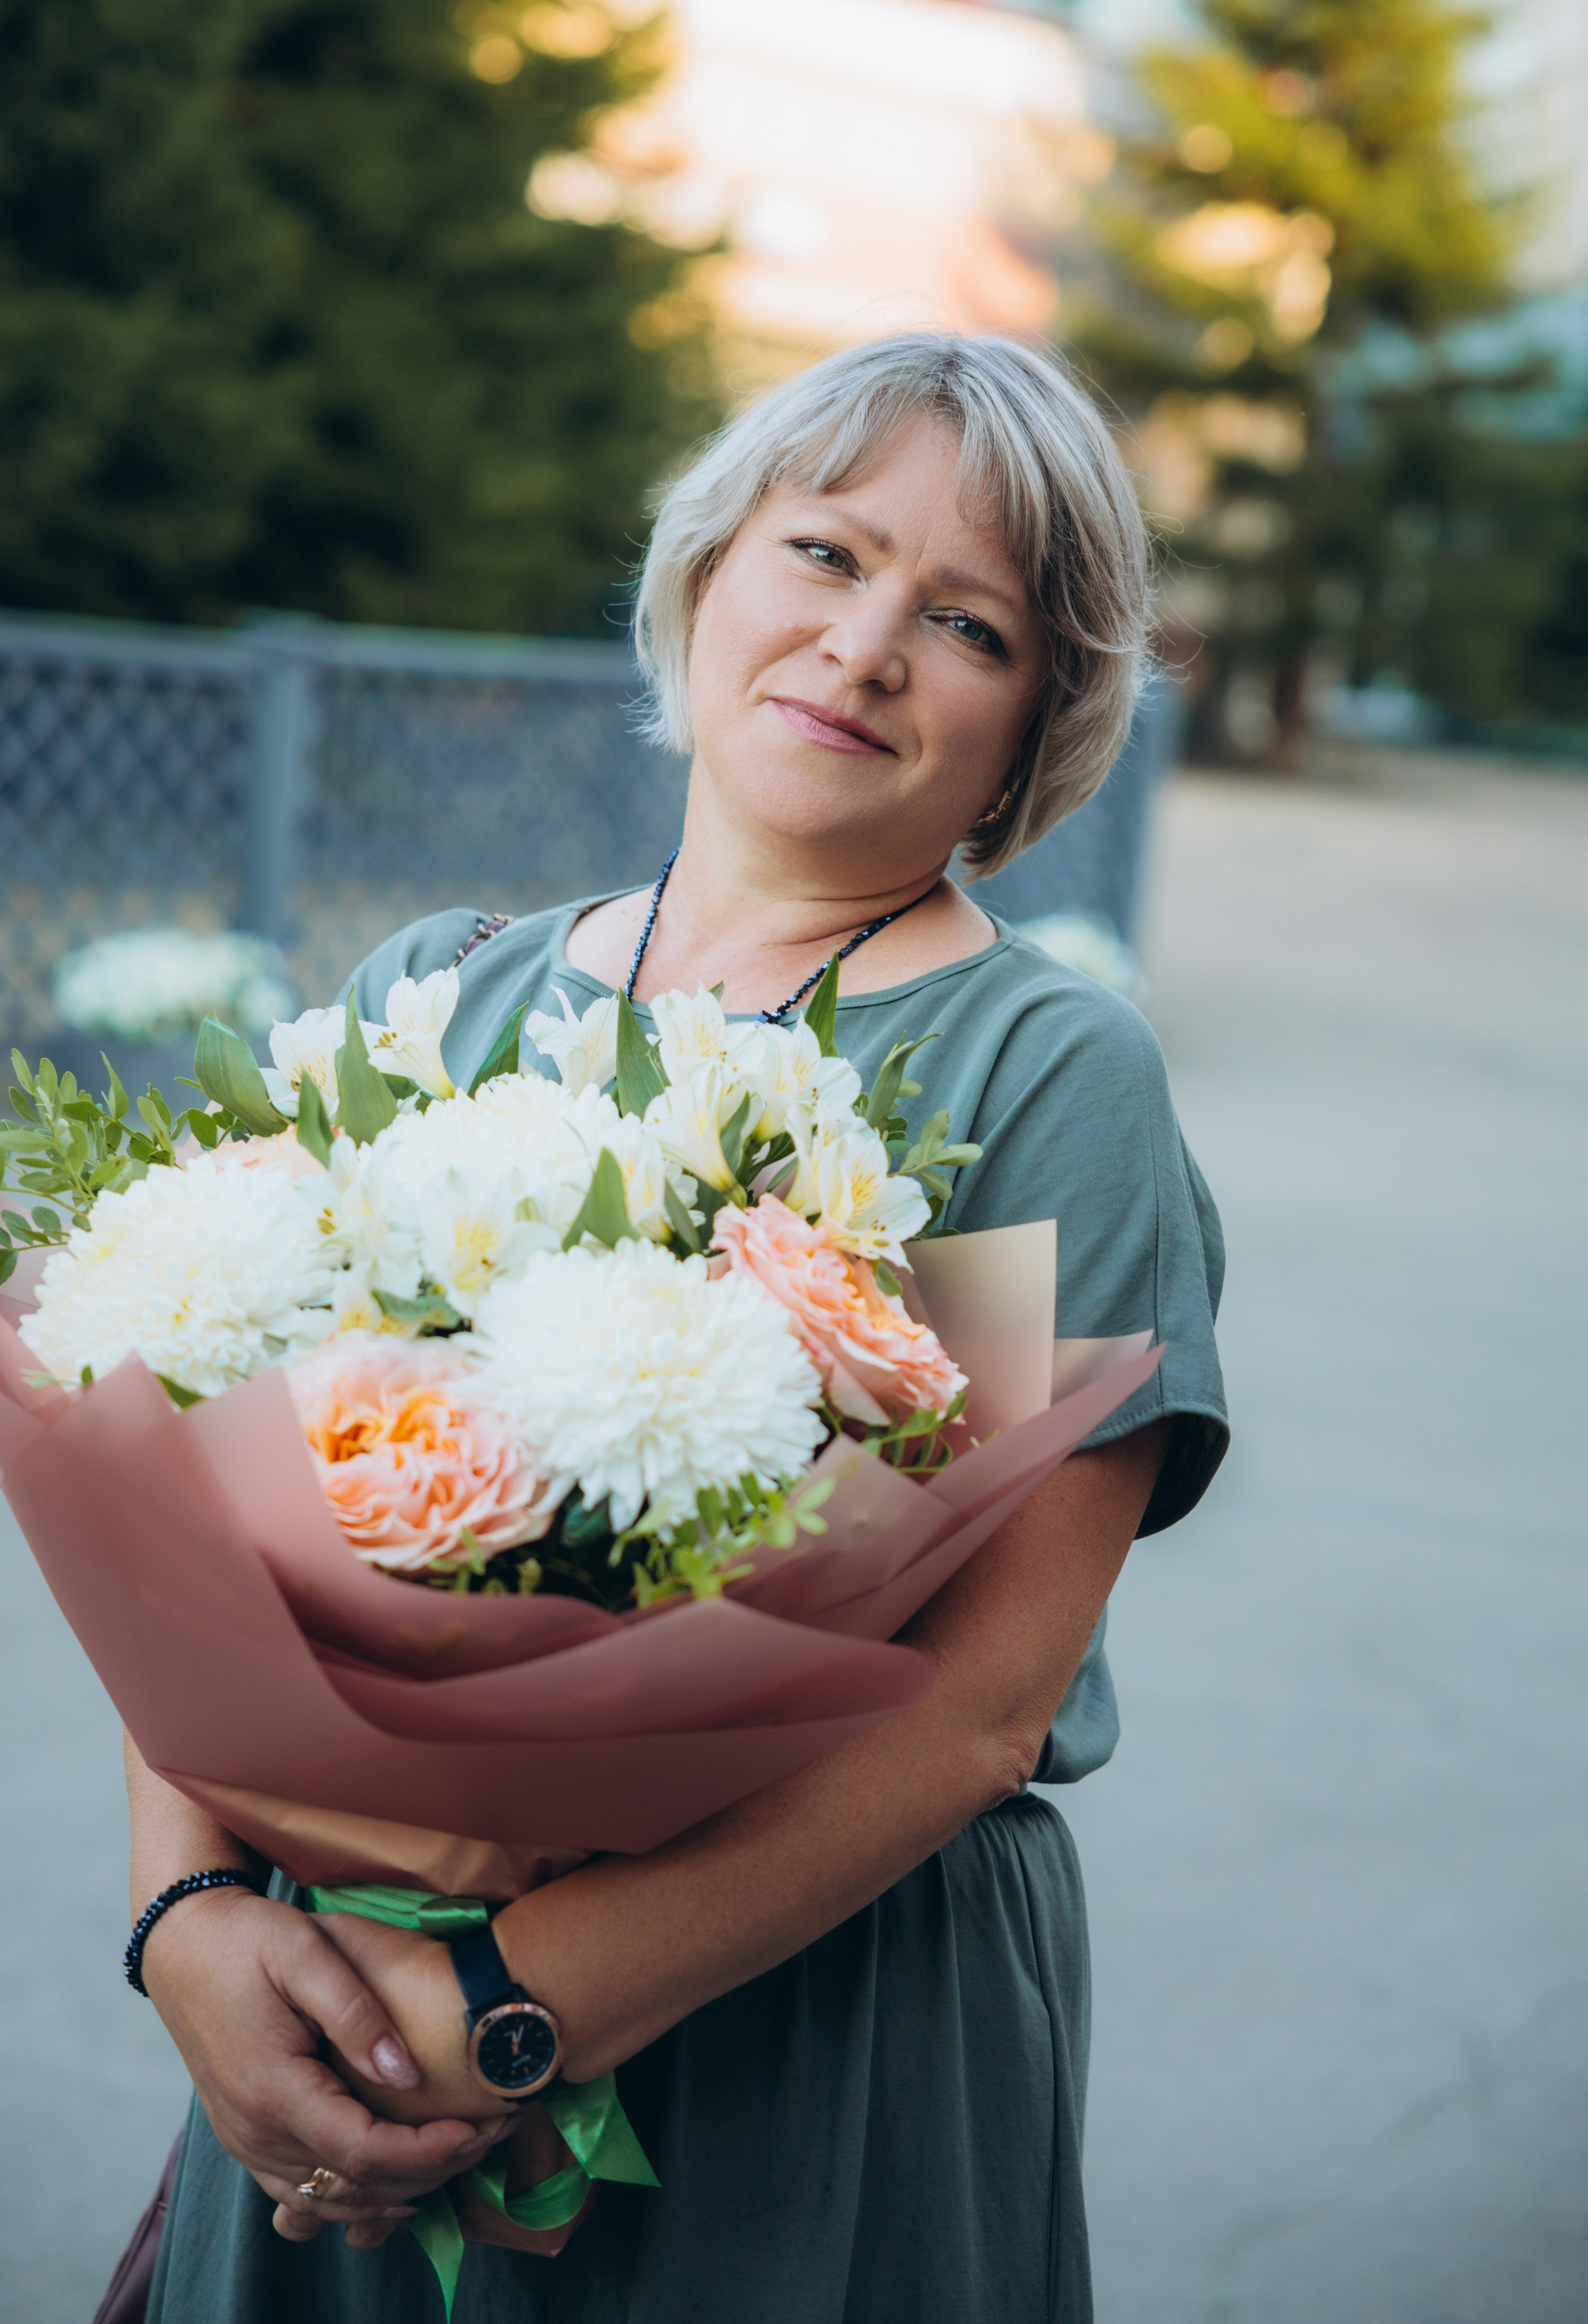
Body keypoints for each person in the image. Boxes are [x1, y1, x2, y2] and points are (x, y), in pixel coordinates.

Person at [132, 333, 1226, 2324]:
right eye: (826, 552)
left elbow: (977, 1704)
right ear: (709, 568)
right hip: (329, 1987)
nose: (867, 644)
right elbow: (197, 1537)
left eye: (967, 623)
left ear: (1035, 726)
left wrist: (504, 2015)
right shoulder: (429, 997)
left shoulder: (1037, 1068)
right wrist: (191, 1919)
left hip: (778, 2022)